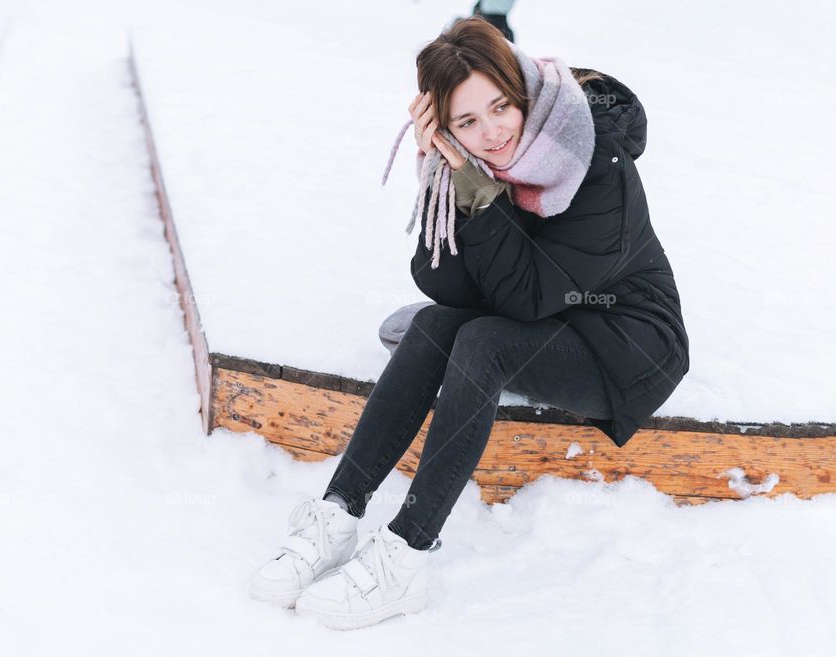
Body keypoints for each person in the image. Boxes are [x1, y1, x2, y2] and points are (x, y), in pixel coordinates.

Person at [249, 16, 689, 630]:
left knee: (483, 342)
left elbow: (526, 298)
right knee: (435, 324)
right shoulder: (475, 167)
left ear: (521, 90)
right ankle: (338, 512)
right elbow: (447, 284)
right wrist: (446, 174)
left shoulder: (593, 157)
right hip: (552, 310)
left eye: (500, 107)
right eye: (465, 123)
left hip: (627, 341)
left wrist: (478, 197)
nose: (491, 133)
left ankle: (407, 553)